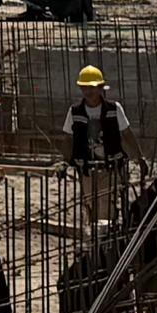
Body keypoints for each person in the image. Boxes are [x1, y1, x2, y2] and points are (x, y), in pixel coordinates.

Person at [64, 64, 130, 222]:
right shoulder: (75, 111)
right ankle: (97, 240)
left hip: (110, 167)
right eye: (85, 88)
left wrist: (139, 157)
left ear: (101, 88)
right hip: (86, 168)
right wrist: (65, 161)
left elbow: (127, 134)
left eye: (92, 87)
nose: (88, 92)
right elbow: (68, 138)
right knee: (90, 205)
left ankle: (105, 240)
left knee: (106, 206)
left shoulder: (114, 109)